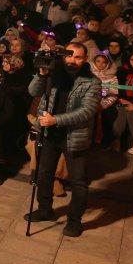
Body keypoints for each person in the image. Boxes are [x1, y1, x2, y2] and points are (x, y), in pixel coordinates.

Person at [26, 41, 101, 237]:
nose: (72, 60)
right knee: (44, 173)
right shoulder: (53, 74)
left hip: (74, 136)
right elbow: (33, 92)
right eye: (69, 55)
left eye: (77, 57)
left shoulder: (92, 81)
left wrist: (56, 120)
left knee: (78, 181)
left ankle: (74, 221)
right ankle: (45, 210)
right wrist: (41, 74)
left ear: (85, 59)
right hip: (50, 134)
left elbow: (87, 111)